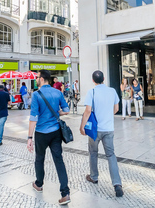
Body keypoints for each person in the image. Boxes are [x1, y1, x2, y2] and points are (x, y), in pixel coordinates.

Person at [27, 70, 71, 205]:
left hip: (41, 133)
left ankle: (39, 184)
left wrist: (29, 137)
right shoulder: (57, 93)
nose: (36, 79)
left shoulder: (36, 95)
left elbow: (33, 118)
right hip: (56, 132)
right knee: (59, 161)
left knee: (39, 159)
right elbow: (67, 110)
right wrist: (58, 113)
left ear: (42, 79)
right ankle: (65, 193)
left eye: (37, 77)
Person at [80, 70, 123, 197]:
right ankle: (117, 184)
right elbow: (116, 109)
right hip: (108, 129)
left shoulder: (91, 92)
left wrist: (82, 126)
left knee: (93, 153)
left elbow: (88, 111)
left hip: (95, 130)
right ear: (104, 78)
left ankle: (94, 176)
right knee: (111, 155)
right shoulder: (112, 91)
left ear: (93, 80)